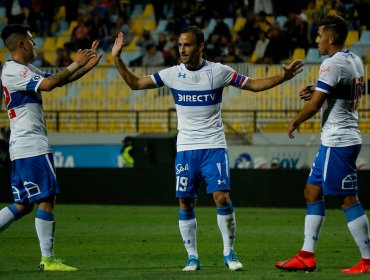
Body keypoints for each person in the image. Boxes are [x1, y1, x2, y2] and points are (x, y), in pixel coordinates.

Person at [112, 25, 303, 272]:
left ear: (200, 46)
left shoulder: (219, 71)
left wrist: (283, 77)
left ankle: (229, 252)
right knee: (185, 202)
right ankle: (192, 257)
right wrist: (116, 58)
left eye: (187, 45)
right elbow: (136, 83)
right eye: (180, 45)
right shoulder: (172, 74)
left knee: (221, 197)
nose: (182, 50)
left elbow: (253, 85)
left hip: (214, 146)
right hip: (186, 148)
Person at [0, 24, 102, 272]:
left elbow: (55, 80)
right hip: (31, 144)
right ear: (22, 43)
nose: (36, 44)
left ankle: (48, 258)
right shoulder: (14, 70)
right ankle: (48, 259)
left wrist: (84, 69)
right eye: (32, 40)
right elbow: (48, 85)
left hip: (22, 145)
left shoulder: (25, 69)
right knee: (47, 198)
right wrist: (75, 63)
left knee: (24, 204)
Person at [275, 15, 370, 274]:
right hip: (338, 139)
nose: (315, 39)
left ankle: (367, 260)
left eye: (319, 35)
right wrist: (316, 88)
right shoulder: (354, 59)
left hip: (339, 141)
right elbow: (337, 90)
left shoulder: (331, 62)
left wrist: (295, 120)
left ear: (331, 38)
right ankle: (306, 255)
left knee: (348, 199)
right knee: (312, 192)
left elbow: (316, 105)